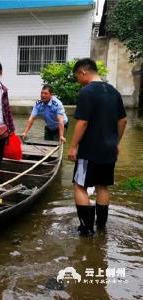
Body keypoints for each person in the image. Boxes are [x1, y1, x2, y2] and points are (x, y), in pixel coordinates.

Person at [68, 58, 127, 236]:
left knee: (80, 186)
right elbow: (123, 120)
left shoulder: (87, 92)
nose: (78, 80)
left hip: (89, 150)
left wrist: (72, 146)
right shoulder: (114, 92)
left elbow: (83, 122)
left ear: (83, 72)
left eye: (77, 76)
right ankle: (101, 227)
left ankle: (86, 229)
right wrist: (115, 143)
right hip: (108, 150)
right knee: (102, 186)